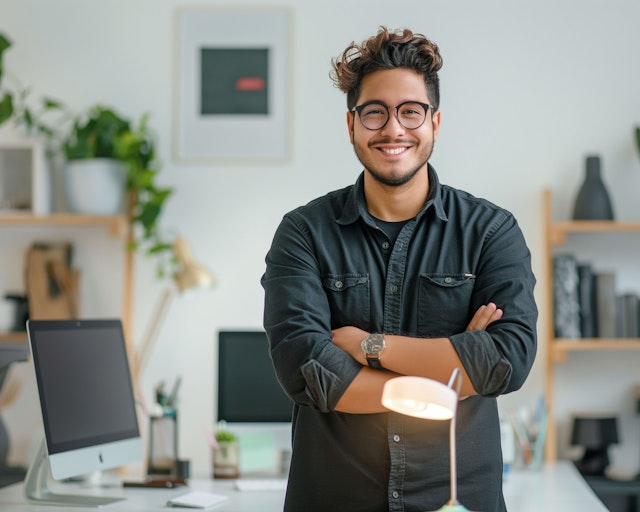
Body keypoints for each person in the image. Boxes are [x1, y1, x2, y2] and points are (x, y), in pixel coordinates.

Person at [261, 26, 537, 512]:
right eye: (375, 112)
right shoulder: (303, 233)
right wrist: (445, 380)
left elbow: (505, 361)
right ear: (351, 126)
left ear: (435, 122)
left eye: (411, 111)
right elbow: (307, 370)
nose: (393, 129)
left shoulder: (491, 231)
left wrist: (369, 347)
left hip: (458, 500)